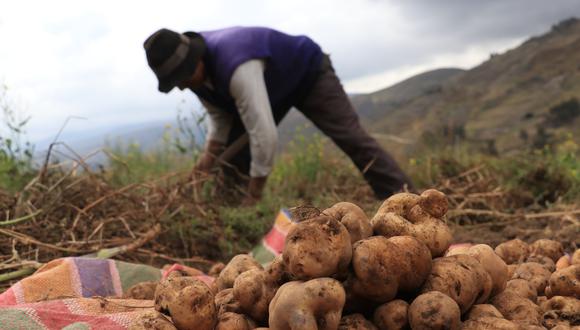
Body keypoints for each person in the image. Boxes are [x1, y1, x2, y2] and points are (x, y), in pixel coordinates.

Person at [144, 26, 413, 205]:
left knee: (351, 137)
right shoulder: (196, 80)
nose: (182, 85)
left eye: (184, 77)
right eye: (176, 81)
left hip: (308, 74)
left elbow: (264, 134)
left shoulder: (236, 64)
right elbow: (220, 122)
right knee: (233, 157)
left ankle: (408, 201)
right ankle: (229, 217)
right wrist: (204, 166)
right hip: (270, 88)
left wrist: (255, 194)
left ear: (197, 60)